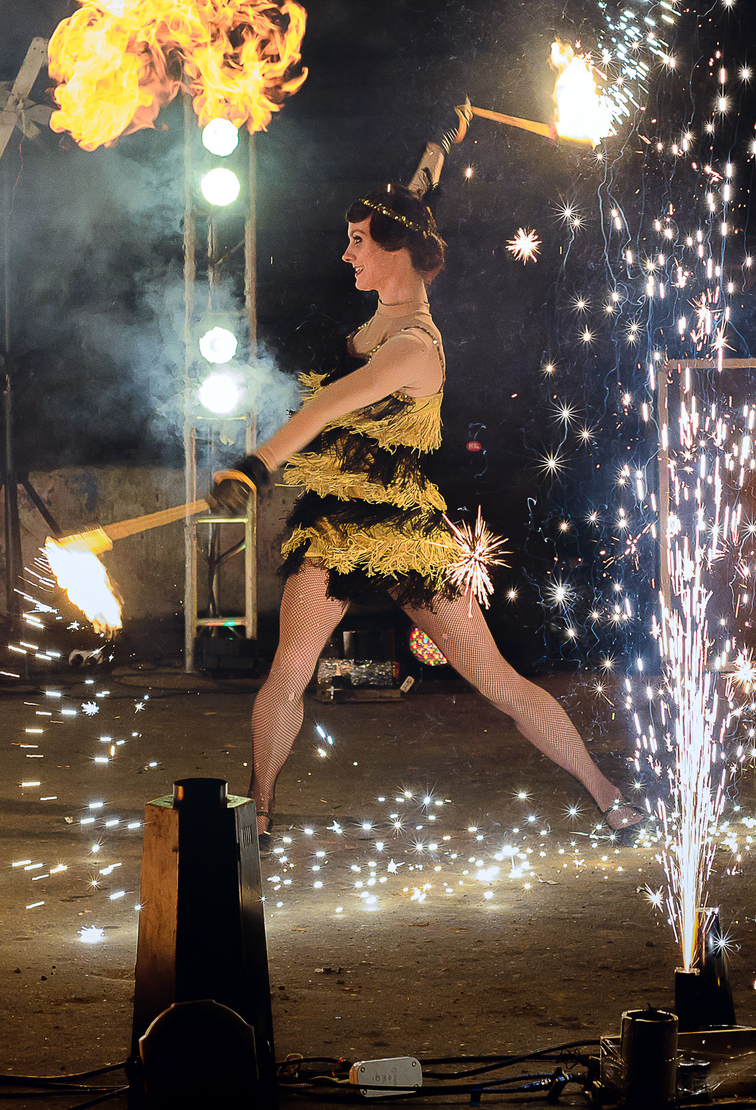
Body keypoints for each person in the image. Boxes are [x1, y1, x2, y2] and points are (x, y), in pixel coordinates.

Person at [207, 121, 645, 849]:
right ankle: (259, 813)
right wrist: (440, 144)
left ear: (395, 251)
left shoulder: (413, 347)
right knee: (291, 667)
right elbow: (413, 193)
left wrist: (254, 467)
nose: (346, 253)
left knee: (497, 680)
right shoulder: (392, 281)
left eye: (358, 242)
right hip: (339, 519)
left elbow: (325, 407)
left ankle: (608, 797)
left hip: (404, 528)